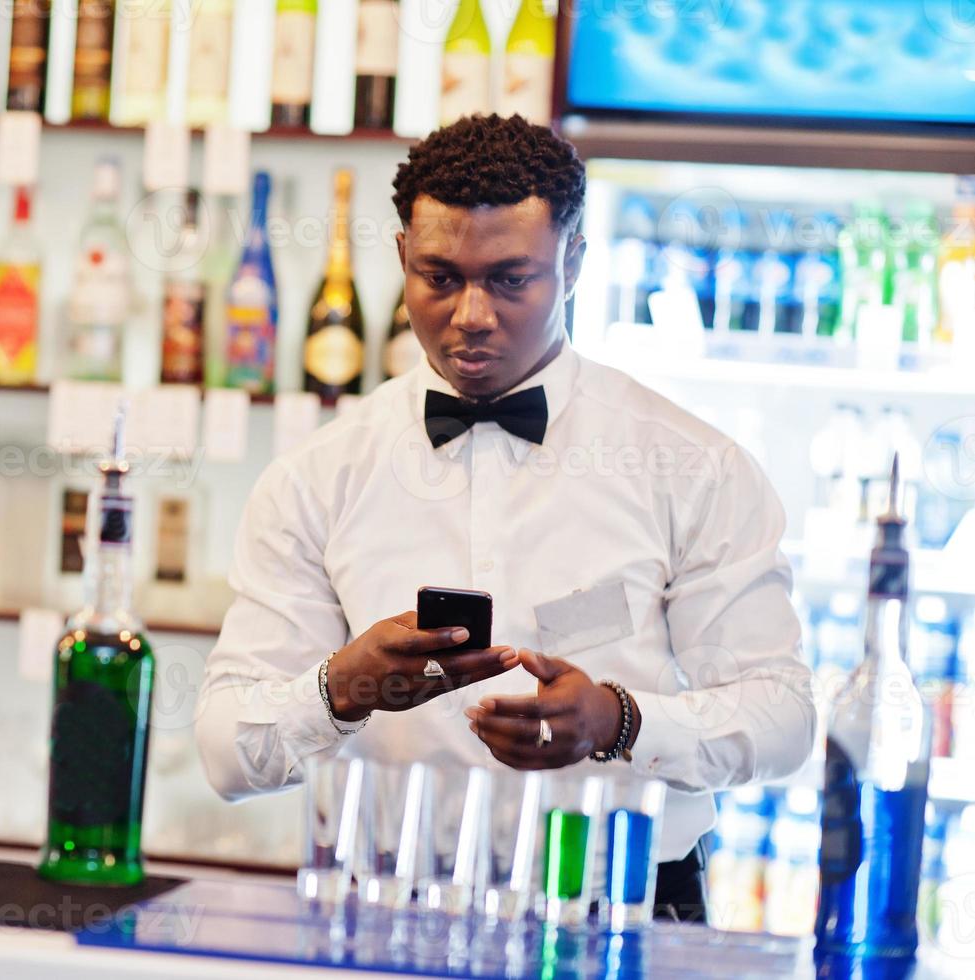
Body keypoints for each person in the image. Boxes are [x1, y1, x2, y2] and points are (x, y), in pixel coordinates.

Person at [194, 114, 816, 922]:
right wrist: (337, 689)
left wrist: (619, 720)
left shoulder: (690, 467)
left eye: (510, 278)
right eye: (440, 277)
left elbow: (783, 717)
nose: (471, 314)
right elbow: (222, 749)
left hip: (623, 907)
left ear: (575, 261)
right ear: (401, 263)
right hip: (381, 907)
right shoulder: (317, 477)